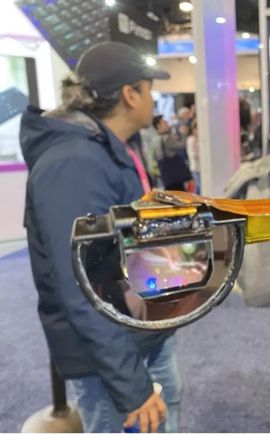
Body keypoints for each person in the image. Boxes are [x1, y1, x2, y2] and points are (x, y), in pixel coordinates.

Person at [20, 42, 183, 433]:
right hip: (112, 359)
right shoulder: (75, 163)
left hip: (137, 335)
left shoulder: (107, 150)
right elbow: (83, 289)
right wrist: (131, 386)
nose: (154, 98)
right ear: (130, 94)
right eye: (149, 88)